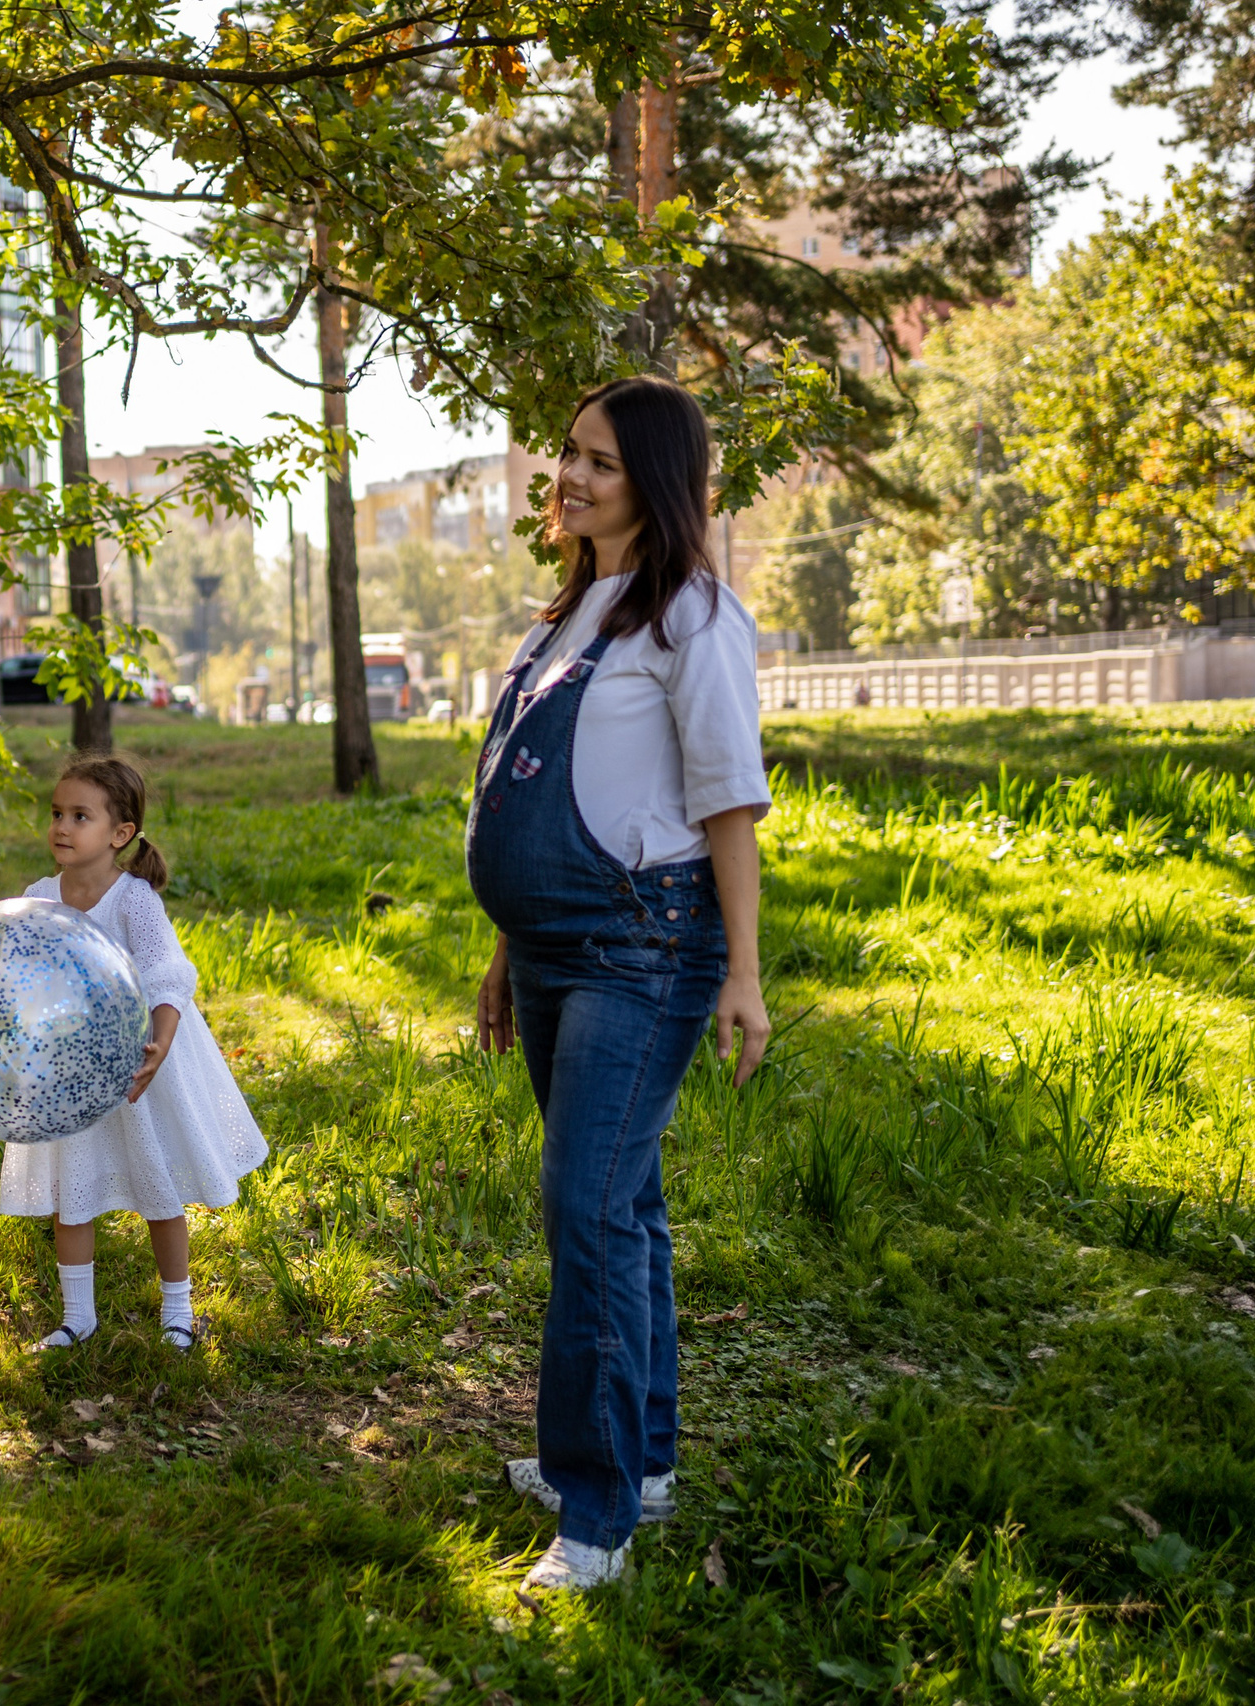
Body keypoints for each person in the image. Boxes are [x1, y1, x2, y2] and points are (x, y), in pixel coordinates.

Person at [466, 375, 772, 1594]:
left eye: (600, 459)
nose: (572, 475)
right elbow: (532, 785)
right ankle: (639, 1460)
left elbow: (727, 800)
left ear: (655, 479)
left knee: (585, 1208)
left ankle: (593, 1518)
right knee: (622, 1204)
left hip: (644, 946)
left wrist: (742, 972)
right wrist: (506, 946)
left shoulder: (691, 614)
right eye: (568, 452)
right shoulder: (562, 616)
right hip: (550, 948)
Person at [1, 755, 269, 1351]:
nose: (62, 827)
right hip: (72, 1066)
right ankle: (78, 1317)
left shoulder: (133, 901)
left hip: (138, 1064)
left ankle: (178, 1310)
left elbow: (168, 976)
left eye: (80, 816)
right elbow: (26, 977)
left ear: (120, 833)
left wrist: (161, 1046)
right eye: (57, 814)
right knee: (72, 1191)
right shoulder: (39, 898)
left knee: (157, 1186)